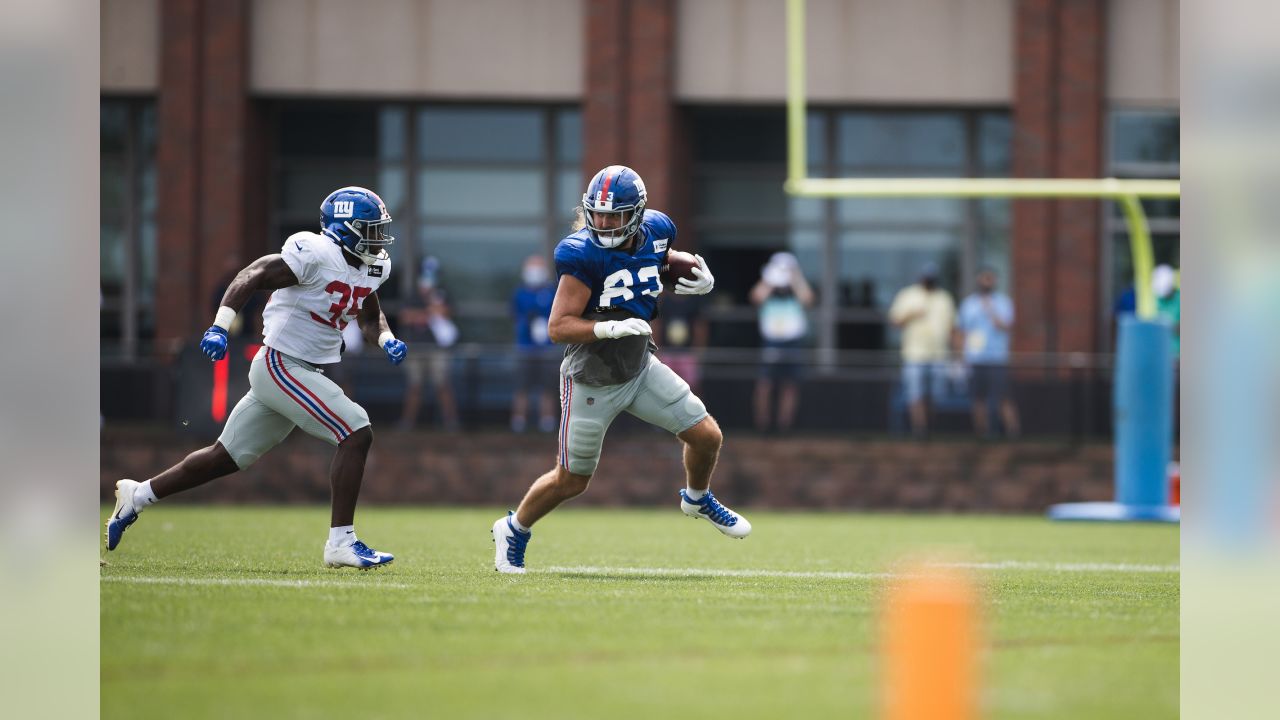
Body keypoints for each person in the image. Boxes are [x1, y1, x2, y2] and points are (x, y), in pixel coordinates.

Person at [105, 186, 407, 569]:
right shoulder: (314, 253)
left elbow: (367, 309)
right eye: (369, 228)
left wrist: (385, 338)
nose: (378, 238)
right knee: (356, 430)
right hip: (282, 364)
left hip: (300, 371)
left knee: (224, 457)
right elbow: (253, 274)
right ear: (344, 229)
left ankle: (139, 494)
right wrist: (220, 325)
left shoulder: (372, 265)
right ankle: (341, 543)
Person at [491, 165, 750, 574]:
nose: (605, 222)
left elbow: (651, 266)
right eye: (599, 214)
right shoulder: (581, 253)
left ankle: (697, 497)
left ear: (638, 213)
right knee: (572, 480)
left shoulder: (659, 230)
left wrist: (693, 279)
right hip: (591, 377)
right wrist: (607, 327)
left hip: (639, 366)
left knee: (706, 436)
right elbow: (558, 326)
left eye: (615, 215)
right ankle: (514, 528)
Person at [888, 262, 955, 437]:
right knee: (915, 393)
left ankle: (930, 429)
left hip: (939, 354)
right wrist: (912, 314)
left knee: (934, 396)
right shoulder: (908, 295)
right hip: (914, 354)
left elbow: (952, 328)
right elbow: (895, 321)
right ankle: (919, 430)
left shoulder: (944, 298)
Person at [749, 252, 815, 433]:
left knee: (790, 385)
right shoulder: (769, 286)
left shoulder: (796, 288)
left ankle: (784, 427)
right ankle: (762, 426)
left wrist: (795, 277)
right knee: (765, 384)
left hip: (793, 341)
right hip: (772, 341)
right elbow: (756, 297)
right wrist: (770, 278)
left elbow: (808, 300)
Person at [955, 267, 1020, 438]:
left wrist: (990, 310)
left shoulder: (1003, 302)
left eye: (990, 279)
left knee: (1003, 396)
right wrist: (961, 356)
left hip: (997, 358)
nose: (987, 282)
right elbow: (961, 332)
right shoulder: (968, 304)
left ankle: (1012, 433)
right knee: (978, 399)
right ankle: (982, 435)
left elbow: (1006, 326)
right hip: (975, 358)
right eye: (984, 278)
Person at [397, 257, 460, 431]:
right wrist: (428, 311)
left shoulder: (442, 293)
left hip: (437, 349)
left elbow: (447, 312)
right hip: (415, 348)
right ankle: (407, 423)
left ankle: (451, 422)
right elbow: (405, 317)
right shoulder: (413, 294)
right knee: (414, 387)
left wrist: (428, 310)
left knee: (442, 385)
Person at [510, 254, 558, 433]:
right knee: (522, 387)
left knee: (547, 387)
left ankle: (547, 422)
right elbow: (515, 314)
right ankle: (518, 422)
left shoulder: (552, 291)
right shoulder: (519, 292)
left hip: (547, 349)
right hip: (525, 348)